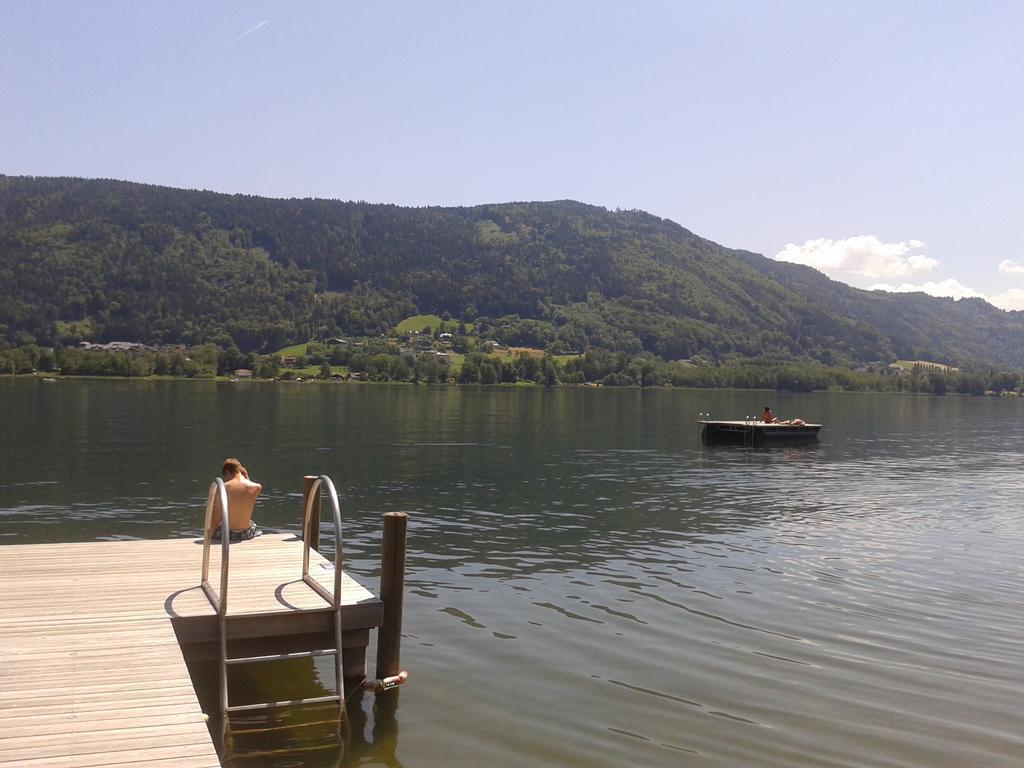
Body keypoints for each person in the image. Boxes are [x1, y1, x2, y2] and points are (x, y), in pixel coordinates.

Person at [210, 458, 263, 542]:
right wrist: (247, 478)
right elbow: (245, 496)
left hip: (228, 535)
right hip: (246, 533)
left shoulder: (222, 488)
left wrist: (210, 534)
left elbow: (216, 518)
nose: (226, 480)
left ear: (227, 472)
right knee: (252, 523)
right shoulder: (256, 487)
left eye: (225, 477)